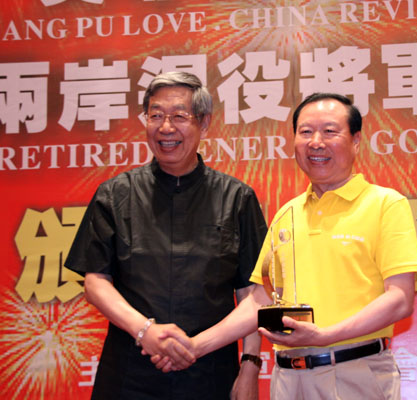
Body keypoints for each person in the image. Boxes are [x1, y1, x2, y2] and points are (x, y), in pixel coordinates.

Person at [152, 92, 417, 399]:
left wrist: (324, 336)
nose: (316, 142)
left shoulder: (385, 204)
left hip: (353, 372)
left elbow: (400, 299)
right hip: (288, 379)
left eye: (330, 131)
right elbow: (260, 300)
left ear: (356, 141)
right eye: (305, 132)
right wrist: (194, 346)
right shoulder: (287, 214)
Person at [64, 71, 267, 400]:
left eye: (179, 116)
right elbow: (95, 282)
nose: (166, 127)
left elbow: (255, 295)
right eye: (156, 115)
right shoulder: (115, 195)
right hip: (130, 372)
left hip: (211, 373)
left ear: (204, 123)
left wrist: (248, 367)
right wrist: (145, 331)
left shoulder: (237, 198)